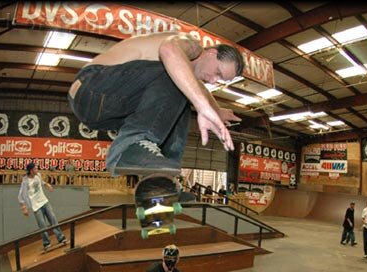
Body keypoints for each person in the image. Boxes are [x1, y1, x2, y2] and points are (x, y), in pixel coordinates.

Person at [68, 32, 245, 177]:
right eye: (218, 73)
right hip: (91, 87)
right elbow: (169, 51)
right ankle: (130, 147)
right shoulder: (191, 44)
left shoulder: (188, 70)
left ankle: (162, 176)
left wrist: (217, 111)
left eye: (220, 80)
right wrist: (202, 107)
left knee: (184, 93)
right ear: (211, 53)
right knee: (177, 75)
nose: (214, 80)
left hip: (104, 111)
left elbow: (199, 89)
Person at [18, 162, 68, 251]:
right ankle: (46, 243)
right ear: (31, 170)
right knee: (42, 225)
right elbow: (20, 195)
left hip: (45, 201)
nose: (37, 170)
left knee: (53, 219)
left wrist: (47, 184)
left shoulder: (38, 175)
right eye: (35, 168)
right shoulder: (25, 181)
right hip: (36, 206)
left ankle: (60, 237)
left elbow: (41, 182)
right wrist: (24, 207)